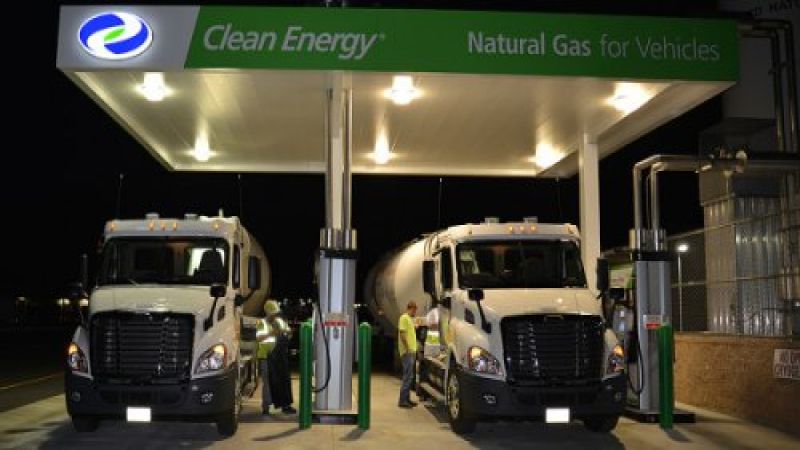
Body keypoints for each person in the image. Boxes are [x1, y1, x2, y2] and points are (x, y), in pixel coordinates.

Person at [257, 299, 296, 415]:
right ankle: (266, 407)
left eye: (276, 313)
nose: (274, 316)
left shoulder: (280, 321)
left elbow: (289, 333)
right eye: (273, 314)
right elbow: (259, 338)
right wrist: (272, 333)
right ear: (267, 313)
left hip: (279, 356)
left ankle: (285, 405)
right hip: (266, 357)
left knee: (283, 380)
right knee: (268, 383)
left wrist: (287, 333)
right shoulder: (261, 323)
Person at [397, 300, 419, 408]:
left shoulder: (409, 319)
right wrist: (407, 348)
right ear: (412, 308)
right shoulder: (404, 318)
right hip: (407, 352)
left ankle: (407, 399)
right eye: (415, 310)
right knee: (407, 377)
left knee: (410, 376)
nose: (416, 312)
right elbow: (402, 334)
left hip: (411, 351)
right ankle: (402, 401)